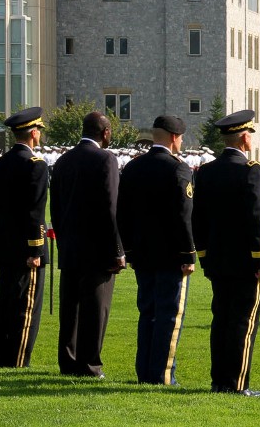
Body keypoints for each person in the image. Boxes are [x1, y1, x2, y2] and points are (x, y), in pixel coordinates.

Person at [192, 110, 260, 396]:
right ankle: (237, 384)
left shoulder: (206, 171)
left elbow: (197, 218)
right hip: (246, 262)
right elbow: (257, 218)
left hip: (216, 260)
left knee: (221, 320)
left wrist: (203, 256)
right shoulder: (251, 170)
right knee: (243, 323)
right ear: (244, 137)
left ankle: (219, 381)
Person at [117, 115, 196, 385]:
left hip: (141, 253)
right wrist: (188, 254)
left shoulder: (133, 167)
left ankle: (144, 373)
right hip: (171, 256)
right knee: (168, 315)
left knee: (147, 313)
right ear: (174, 137)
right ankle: (161, 374)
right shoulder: (178, 169)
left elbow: (122, 214)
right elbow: (183, 217)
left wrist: (128, 249)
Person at [50, 111, 126, 377]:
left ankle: (68, 361)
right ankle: (89, 364)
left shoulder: (63, 161)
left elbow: (56, 207)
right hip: (98, 249)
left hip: (70, 246)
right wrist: (118, 251)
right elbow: (111, 208)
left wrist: (63, 239)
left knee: (70, 309)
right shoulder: (106, 159)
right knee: (96, 309)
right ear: (105, 133)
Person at [0, 107, 49, 367]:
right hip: (25, 248)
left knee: (5, 303)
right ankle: (18, 359)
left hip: (3, 245)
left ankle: (2, 356)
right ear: (33, 133)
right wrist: (35, 249)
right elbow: (35, 211)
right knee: (26, 307)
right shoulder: (35, 165)